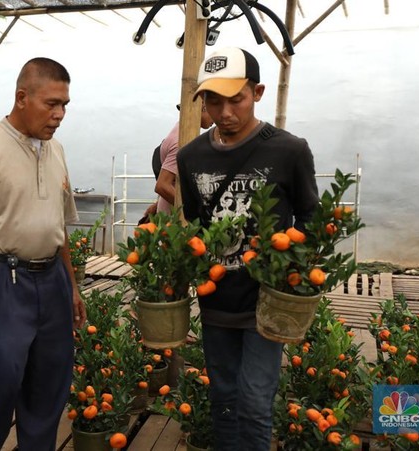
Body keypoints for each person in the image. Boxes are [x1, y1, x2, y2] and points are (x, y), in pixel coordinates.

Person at [176, 47, 319, 450]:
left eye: (235, 98)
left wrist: (292, 272)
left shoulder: (288, 150)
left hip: (266, 303)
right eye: (213, 100)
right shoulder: (191, 157)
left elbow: (310, 218)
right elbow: (197, 225)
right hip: (216, 299)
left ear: (256, 92)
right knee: (222, 398)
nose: (224, 112)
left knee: (255, 402)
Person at [0, 57, 86, 450]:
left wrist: (71, 288)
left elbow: (58, 229)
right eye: (52, 104)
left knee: (49, 385)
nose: (59, 115)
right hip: (1, 279)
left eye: (65, 106)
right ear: (22, 97)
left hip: (52, 282)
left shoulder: (56, 150)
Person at [142, 105, 213, 220]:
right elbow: (162, 185)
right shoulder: (181, 142)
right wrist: (197, 210)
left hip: (170, 209)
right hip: (175, 218)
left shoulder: (182, 132)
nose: (215, 118)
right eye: (213, 109)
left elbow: (174, 180)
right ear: (203, 108)